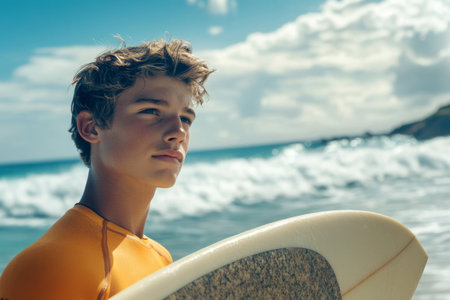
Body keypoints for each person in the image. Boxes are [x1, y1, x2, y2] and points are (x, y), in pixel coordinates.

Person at [0, 39, 213, 299]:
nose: (178, 132)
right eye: (151, 111)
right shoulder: (55, 262)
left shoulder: (160, 258)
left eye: (185, 118)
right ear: (91, 127)